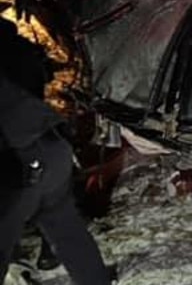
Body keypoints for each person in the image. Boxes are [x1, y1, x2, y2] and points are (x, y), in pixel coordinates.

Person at [0, 18, 112, 285]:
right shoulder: (19, 48)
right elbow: (41, 78)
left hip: (18, 161)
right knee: (67, 230)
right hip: (51, 144)